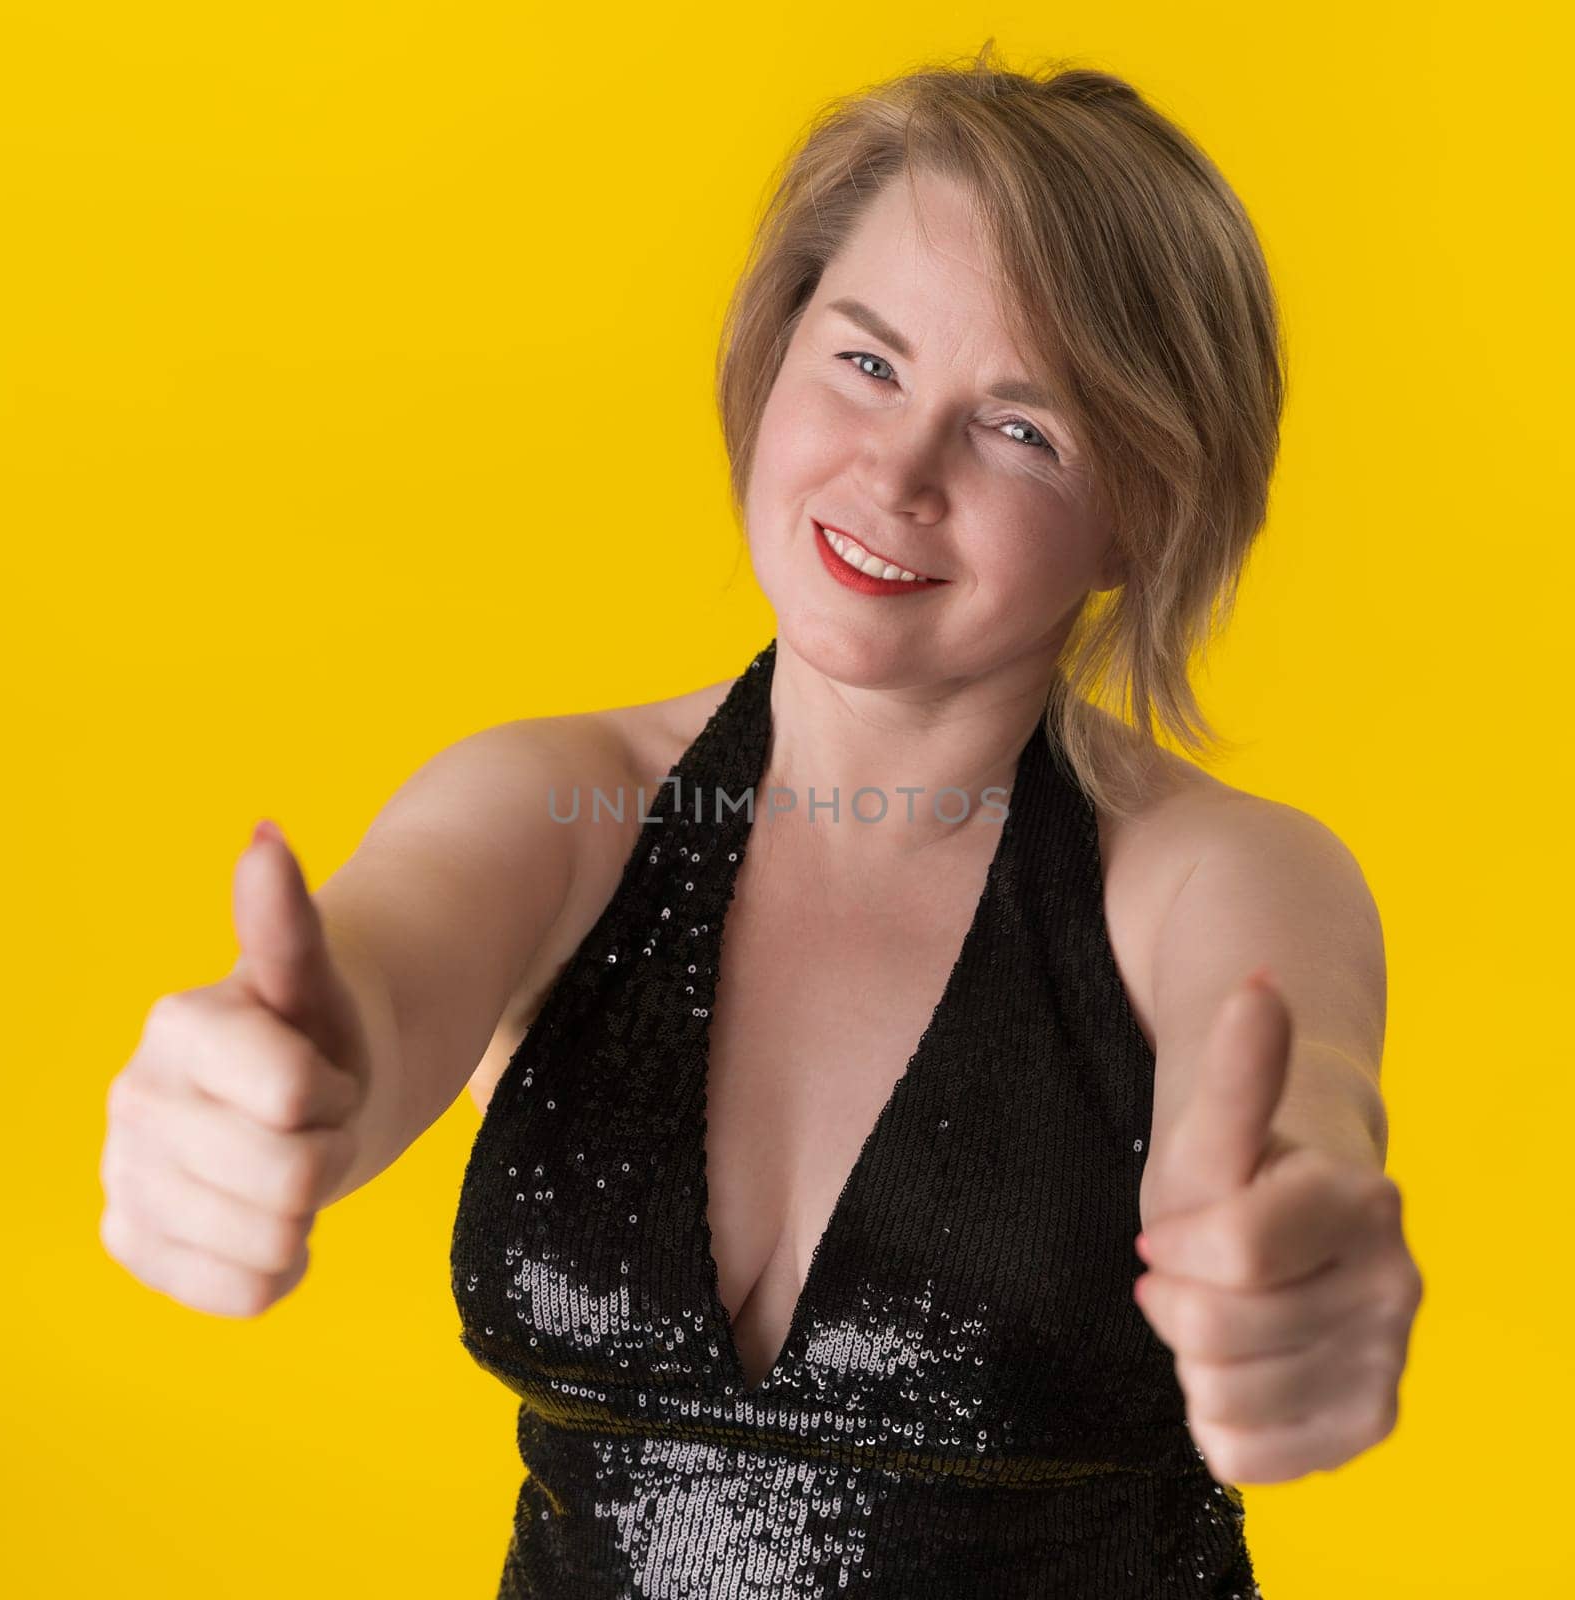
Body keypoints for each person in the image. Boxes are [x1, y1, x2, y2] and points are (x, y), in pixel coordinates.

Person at [101, 43, 1423, 1598]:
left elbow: (1298, 1113)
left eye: (1022, 429)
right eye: (866, 363)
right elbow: (375, 999)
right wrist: (271, 1095)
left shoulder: (1212, 878)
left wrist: (1294, 1242)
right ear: (775, 353)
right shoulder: (559, 809)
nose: (897, 471)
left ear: (1140, 509)